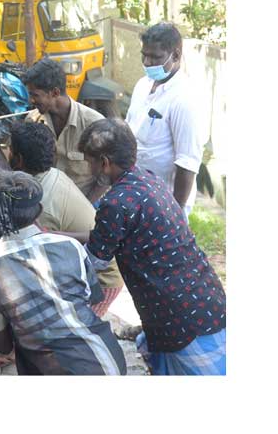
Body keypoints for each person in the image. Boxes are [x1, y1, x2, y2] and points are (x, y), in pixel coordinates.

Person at [64, 119, 226, 375]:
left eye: (90, 161)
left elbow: (93, 261)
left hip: (178, 315)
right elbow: (106, 235)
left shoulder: (116, 203)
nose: (89, 167)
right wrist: (64, 234)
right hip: (205, 297)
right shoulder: (147, 180)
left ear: (104, 162)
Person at [0, 170, 126, 375]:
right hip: (110, 358)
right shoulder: (71, 246)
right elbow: (92, 299)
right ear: (39, 210)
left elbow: (4, 348)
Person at [7, 120, 124, 317]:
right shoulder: (51, 174)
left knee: (76, 331)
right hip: (92, 267)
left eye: (9, 150)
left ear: (18, 159)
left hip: (102, 280)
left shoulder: (42, 207)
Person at [126, 22, 208, 217]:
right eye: (144, 55)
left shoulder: (184, 98)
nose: (147, 62)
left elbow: (187, 163)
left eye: (155, 57)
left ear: (176, 55)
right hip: (136, 192)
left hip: (165, 203)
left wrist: (174, 214)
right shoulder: (142, 86)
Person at [23, 58, 108, 203]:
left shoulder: (94, 124)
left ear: (55, 92)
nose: (31, 101)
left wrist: (86, 207)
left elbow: (105, 176)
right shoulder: (33, 121)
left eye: (35, 95)